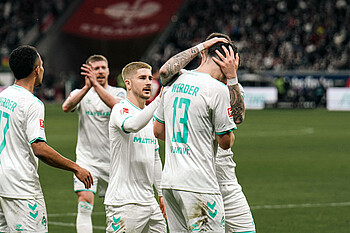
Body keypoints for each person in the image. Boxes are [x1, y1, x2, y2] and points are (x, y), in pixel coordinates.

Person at [0, 45, 93, 232]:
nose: (42, 69)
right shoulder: (32, 103)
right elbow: (39, 148)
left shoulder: (4, 96)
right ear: (36, 70)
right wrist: (76, 167)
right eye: (41, 65)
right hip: (21, 187)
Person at [153, 36, 237, 232]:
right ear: (227, 60)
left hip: (170, 183)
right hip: (199, 184)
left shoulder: (174, 80)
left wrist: (202, 46)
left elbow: (157, 130)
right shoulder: (218, 89)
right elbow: (225, 142)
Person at [82, 61, 166, 232]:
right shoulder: (121, 109)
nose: (148, 82)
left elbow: (155, 157)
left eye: (150, 78)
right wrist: (159, 100)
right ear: (127, 83)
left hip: (150, 202)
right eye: (142, 78)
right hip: (124, 202)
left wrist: (162, 194)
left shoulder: (149, 116)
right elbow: (132, 126)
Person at [62, 55, 126, 233]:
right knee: (84, 202)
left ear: (108, 70)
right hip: (87, 161)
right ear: (89, 71)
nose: (100, 71)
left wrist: (96, 87)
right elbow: (66, 107)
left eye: (103, 68)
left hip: (113, 161)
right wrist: (86, 88)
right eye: (95, 68)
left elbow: (116, 105)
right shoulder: (79, 93)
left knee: (118, 209)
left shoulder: (118, 93)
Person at [200, 32, 256, 233]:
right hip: (199, 176)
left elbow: (238, 119)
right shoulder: (192, 84)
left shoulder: (233, 88)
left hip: (226, 176)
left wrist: (232, 78)